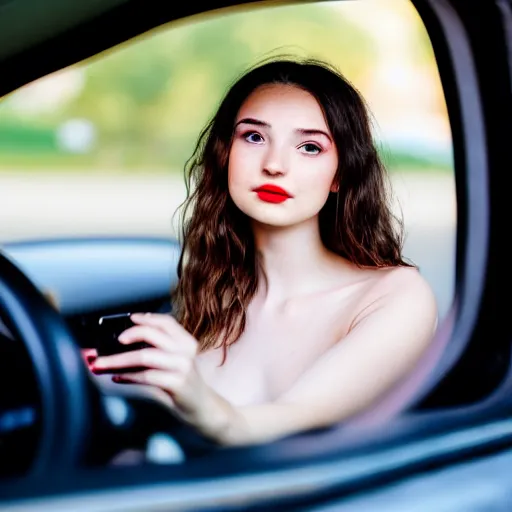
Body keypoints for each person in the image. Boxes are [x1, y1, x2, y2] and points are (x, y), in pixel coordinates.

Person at [87, 58, 438, 447]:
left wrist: (199, 399)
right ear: (225, 156)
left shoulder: (395, 297)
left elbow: (293, 420)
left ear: (340, 174)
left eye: (309, 147)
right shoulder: (213, 294)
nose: (274, 165)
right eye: (254, 138)